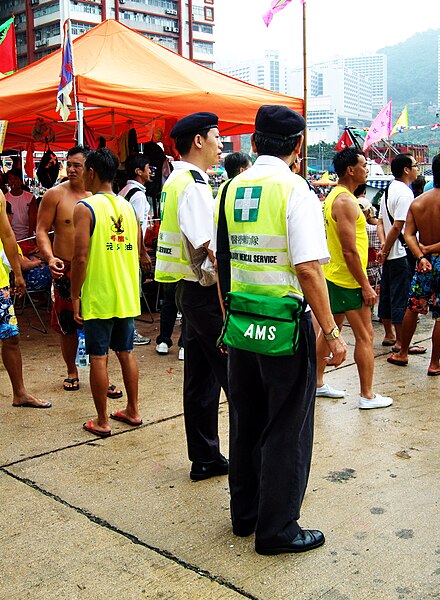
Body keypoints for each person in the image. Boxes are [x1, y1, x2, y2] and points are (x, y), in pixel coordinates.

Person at [214, 105, 347, 555]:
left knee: (246, 420)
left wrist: (228, 327)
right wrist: (330, 332)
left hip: (242, 325)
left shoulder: (231, 188)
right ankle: (278, 529)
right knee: (288, 425)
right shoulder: (296, 191)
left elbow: (223, 262)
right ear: (298, 145)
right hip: (285, 328)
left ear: (253, 143)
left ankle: (246, 514)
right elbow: (308, 269)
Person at [154, 111, 229, 481]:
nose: (220, 144)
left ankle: (205, 458)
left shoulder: (175, 180)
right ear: (198, 141)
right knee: (235, 376)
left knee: (200, 379)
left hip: (185, 290)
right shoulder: (195, 184)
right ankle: (250, 461)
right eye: (216, 136)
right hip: (204, 292)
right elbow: (209, 247)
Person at [37, 146, 122, 399]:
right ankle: (72, 370)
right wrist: (50, 257)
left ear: (90, 169)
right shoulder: (55, 195)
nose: (72, 169)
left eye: (78, 165)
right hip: (64, 268)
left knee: (99, 321)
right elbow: (41, 230)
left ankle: (101, 375)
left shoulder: (100, 198)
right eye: (69, 164)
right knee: (67, 325)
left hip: (96, 269)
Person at [71, 148, 143, 437]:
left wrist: (75, 295)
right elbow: (136, 251)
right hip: (125, 292)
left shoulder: (85, 208)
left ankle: (102, 421)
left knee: (98, 356)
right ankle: (133, 410)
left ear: (92, 172)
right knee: (126, 353)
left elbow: (80, 258)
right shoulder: (128, 207)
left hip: (99, 294)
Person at [317, 147, 393, 409]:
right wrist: (365, 285)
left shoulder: (335, 196)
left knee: (329, 333)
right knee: (365, 336)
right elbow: (349, 250)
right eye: (363, 165)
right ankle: (367, 395)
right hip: (348, 279)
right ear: (351, 169)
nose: (366, 169)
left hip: (336, 275)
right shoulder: (346, 201)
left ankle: (317, 383)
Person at [387, 151, 440, 375]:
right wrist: (432, 250)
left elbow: (409, 234)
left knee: (413, 306)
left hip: (423, 264)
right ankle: (435, 363)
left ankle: (402, 352)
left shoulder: (419, 201)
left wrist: (422, 255)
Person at [0, 190, 51, 409]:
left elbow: (8, 235)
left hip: (0, 284)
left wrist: (18, 274)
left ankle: (19, 393)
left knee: (11, 337)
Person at [377, 153, 424, 354]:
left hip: (389, 253)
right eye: (415, 165)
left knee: (386, 293)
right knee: (401, 296)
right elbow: (398, 226)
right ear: (406, 169)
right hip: (400, 253)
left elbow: (380, 222)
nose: (417, 169)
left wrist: (382, 249)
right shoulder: (405, 193)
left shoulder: (388, 190)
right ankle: (401, 342)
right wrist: (387, 249)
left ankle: (389, 335)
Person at [119, 153, 153, 346]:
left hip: (123, 247)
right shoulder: (138, 195)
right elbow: (137, 226)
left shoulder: (124, 191)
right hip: (132, 249)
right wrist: (142, 253)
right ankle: (130, 332)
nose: (150, 172)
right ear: (139, 171)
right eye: (148, 168)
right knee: (133, 290)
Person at [5, 168, 38, 255]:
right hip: (12, 236)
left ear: (20, 180)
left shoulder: (30, 197)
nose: (13, 181)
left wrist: (30, 237)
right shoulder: (4, 198)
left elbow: (32, 218)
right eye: (10, 179)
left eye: (15, 178)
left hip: (27, 235)